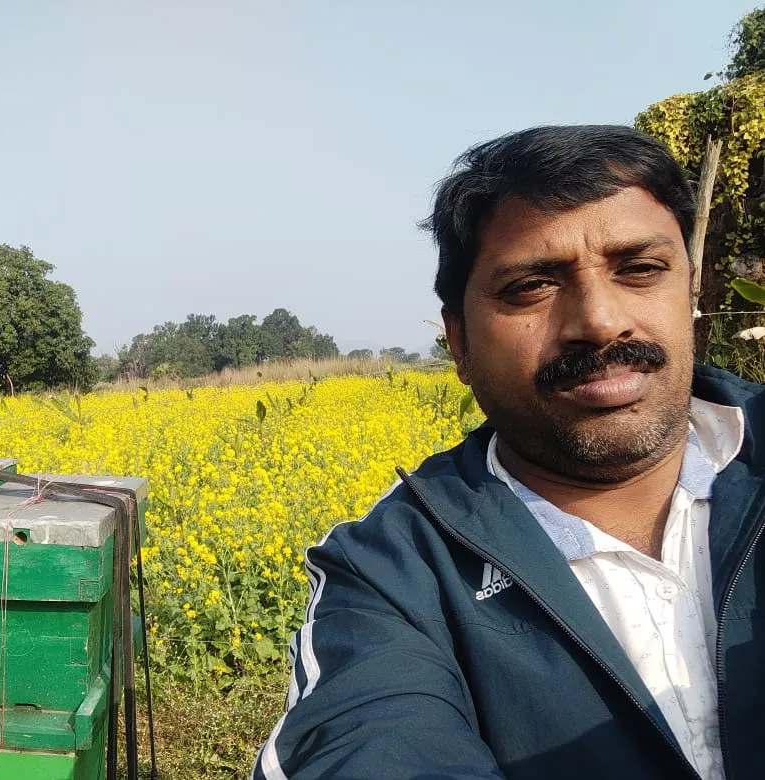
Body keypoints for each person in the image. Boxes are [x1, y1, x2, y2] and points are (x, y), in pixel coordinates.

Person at [251, 125, 765, 780]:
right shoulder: (397, 567)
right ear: (458, 344)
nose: (601, 321)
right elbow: (369, 740)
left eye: (639, 270)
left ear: (689, 296)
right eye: (532, 286)